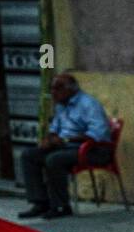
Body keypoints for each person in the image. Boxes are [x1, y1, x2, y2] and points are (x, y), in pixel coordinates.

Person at [18, 74, 112, 219]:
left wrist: (65, 139)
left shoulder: (88, 104)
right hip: (67, 147)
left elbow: (97, 134)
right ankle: (41, 202)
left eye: (58, 88)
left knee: (54, 159)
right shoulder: (61, 104)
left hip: (93, 149)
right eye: (52, 88)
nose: (53, 92)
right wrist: (49, 139)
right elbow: (55, 128)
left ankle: (61, 206)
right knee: (29, 155)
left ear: (71, 89)